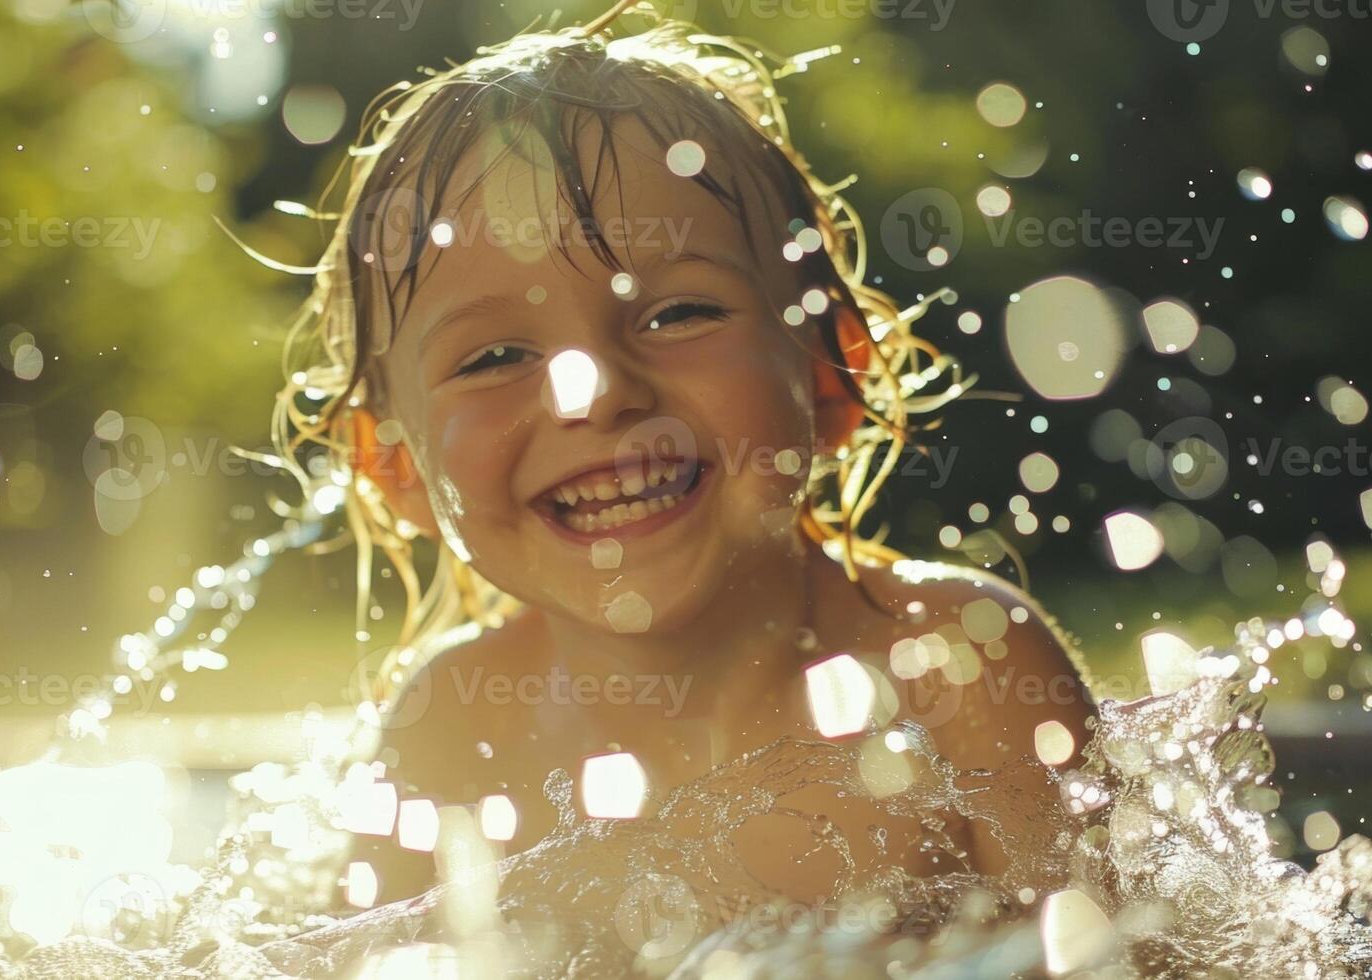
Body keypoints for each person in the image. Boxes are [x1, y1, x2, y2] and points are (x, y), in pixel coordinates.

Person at [270, 12, 1095, 908]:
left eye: (677, 314)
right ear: (392, 467)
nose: (593, 394)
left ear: (830, 373)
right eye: (495, 358)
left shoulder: (959, 674)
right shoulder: (453, 731)